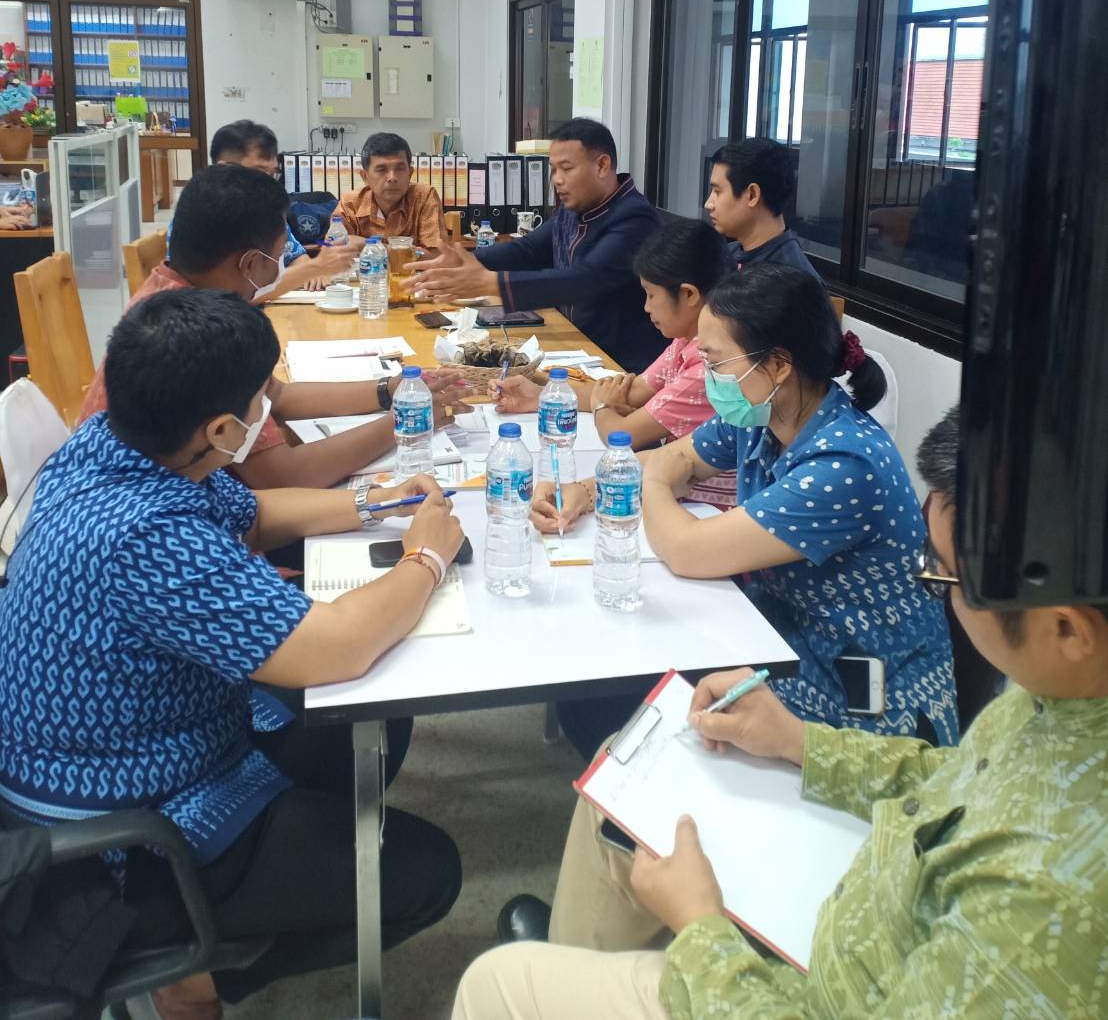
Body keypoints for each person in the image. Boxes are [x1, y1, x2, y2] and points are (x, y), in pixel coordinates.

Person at [452, 403, 1108, 1020]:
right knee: (621, 774)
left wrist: (701, 928)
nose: (936, 592)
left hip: (814, 987)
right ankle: (577, 964)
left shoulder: (1047, 899)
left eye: (944, 576)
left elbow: (684, 538)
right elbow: (953, 777)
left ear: (1068, 628)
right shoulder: (1058, 697)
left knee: (497, 983)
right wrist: (800, 741)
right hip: (875, 878)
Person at [0, 289, 464, 1019]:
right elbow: (334, 648)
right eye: (261, 400)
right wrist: (426, 559)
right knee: (425, 872)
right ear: (220, 428)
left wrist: (375, 502)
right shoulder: (148, 538)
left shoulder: (106, 446)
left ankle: (256, 890)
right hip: (122, 838)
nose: (267, 410)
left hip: (139, 748)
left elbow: (250, 513)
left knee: (372, 724)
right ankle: (192, 972)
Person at [551, 263, 957, 759]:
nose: (709, 378)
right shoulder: (761, 415)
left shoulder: (845, 464)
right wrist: (586, 490)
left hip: (859, 701)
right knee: (594, 694)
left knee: (607, 704)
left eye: (715, 362)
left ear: (778, 365)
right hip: (775, 641)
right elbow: (677, 458)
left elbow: (686, 549)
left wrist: (652, 481)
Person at [79, 164, 467, 489]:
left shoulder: (170, 293)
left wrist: (390, 390)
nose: (282, 268)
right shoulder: (200, 334)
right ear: (249, 264)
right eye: (280, 255)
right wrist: (408, 420)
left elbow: (275, 396)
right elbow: (282, 476)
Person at [495, 219, 735, 510]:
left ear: (688, 294)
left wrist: (602, 406)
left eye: (651, 295)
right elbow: (630, 393)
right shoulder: (686, 342)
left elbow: (621, 435)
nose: (646, 307)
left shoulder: (710, 367)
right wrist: (542, 393)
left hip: (705, 511)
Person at [410, 119, 662, 373]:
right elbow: (529, 249)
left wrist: (490, 282)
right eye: (553, 169)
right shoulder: (576, 207)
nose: (557, 180)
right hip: (573, 344)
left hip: (618, 363)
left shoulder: (634, 217)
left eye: (567, 168)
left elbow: (586, 279)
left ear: (602, 165)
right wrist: (469, 260)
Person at [203, 118, 357, 295]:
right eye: (260, 171)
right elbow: (234, 293)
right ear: (224, 170)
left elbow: (295, 255)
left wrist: (312, 270)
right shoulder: (203, 215)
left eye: (273, 174)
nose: (268, 184)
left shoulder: (266, 212)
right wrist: (314, 268)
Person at [705, 138, 820, 277]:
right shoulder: (726, 255)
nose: (708, 204)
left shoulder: (791, 281)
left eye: (717, 191)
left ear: (752, 195)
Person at [333, 131, 448, 252]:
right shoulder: (350, 204)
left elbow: (437, 254)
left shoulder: (424, 197)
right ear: (365, 177)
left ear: (410, 174)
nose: (392, 178)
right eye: (381, 170)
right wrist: (406, 251)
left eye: (400, 169)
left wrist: (367, 244)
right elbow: (334, 251)